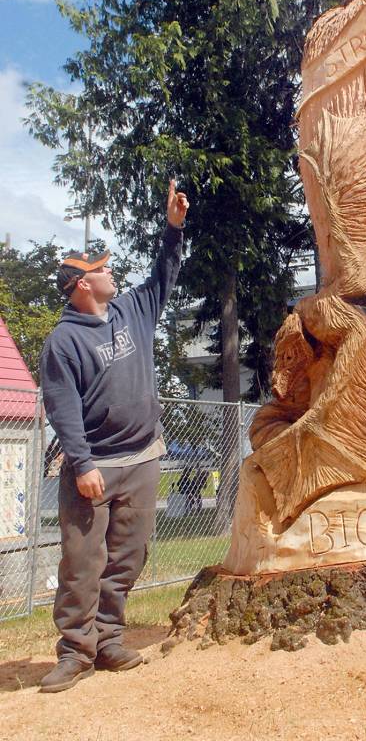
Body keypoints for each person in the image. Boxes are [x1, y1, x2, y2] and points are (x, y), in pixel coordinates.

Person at [38, 181, 189, 693]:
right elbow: (62, 408)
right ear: (82, 285)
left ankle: (107, 642)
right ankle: (74, 652)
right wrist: (81, 465)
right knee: (82, 564)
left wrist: (172, 228)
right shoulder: (63, 341)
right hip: (96, 467)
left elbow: (164, 276)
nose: (110, 272)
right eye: (100, 269)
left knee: (127, 557)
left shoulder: (133, 311)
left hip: (143, 458)